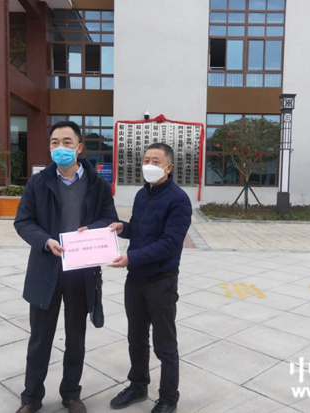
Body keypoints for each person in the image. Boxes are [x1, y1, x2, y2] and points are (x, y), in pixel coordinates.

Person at [14, 121, 118, 413]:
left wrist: (92, 230)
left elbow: (109, 219)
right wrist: (46, 241)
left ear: (79, 147)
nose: (60, 148)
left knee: (76, 338)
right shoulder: (38, 183)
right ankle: (31, 398)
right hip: (45, 270)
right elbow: (23, 221)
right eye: (55, 142)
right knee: (40, 339)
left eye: (67, 142)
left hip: (80, 271)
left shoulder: (97, 184)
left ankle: (71, 393)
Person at [108, 143, 192, 413]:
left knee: (164, 343)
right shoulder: (142, 195)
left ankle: (169, 398)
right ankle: (138, 385)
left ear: (169, 167)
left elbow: (169, 243)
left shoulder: (179, 200)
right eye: (146, 160)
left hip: (161, 281)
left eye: (156, 161)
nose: (149, 165)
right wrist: (123, 228)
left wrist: (131, 258)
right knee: (136, 337)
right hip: (135, 280)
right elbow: (140, 229)